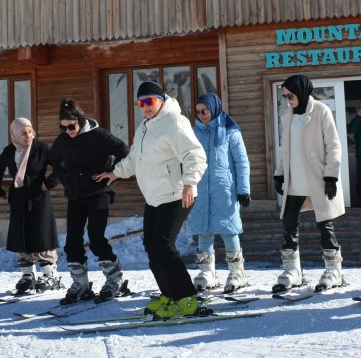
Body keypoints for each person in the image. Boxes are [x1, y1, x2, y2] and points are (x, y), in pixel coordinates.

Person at [96, 81, 209, 319]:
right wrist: (115, 172)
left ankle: (187, 298)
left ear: (161, 100)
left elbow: (195, 154)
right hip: (155, 196)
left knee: (164, 246)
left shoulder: (174, 122)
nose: (145, 107)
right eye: (141, 103)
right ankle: (170, 294)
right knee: (152, 246)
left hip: (176, 194)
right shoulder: (145, 127)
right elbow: (135, 159)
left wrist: (190, 182)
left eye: (149, 101)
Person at [48, 98, 131, 304]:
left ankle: (115, 280)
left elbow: (123, 150)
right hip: (75, 196)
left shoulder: (98, 136)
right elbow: (54, 159)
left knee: (96, 238)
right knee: (72, 243)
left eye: (72, 126)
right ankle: (81, 285)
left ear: (80, 120)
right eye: (63, 126)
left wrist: (112, 173)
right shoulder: (63, 140)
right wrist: (65, 178)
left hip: (98, 193)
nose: (68, 130)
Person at [272, 75, 345, 293]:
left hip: (317, 179)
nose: (287, 100)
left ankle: (334, 270)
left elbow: (334, 146)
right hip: (295, 181)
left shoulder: (321, 111)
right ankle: (292, 270)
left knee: (325, 225)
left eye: (290, 95)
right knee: (289, 225)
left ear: (301, 92)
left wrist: (331, 176)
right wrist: (280, 174)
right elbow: (285, 150)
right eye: (284, 96)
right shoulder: (288, 116)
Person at [187, 93, 251, 293]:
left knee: (229, 231)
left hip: (225, 191)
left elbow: (241, 162)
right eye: (197, 112)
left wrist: (243, 190)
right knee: (204, 231)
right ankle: (207, 272)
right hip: (199, 191)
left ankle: (236, 272)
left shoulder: (231, 132)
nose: (202, 115)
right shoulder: (192, 133)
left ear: (213, 109)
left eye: (204, 111)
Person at [0, 118, 62, 297]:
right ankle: (27, 275)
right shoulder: (9, 151)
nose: (29, 136)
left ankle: (50, 275)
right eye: (24, 133)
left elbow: (60, 166)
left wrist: (49, 183)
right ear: (15, 134)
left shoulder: (42, 148)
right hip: (19, 198)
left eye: (30, 131)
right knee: (21, 234)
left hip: (38, 197)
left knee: (42, 233)